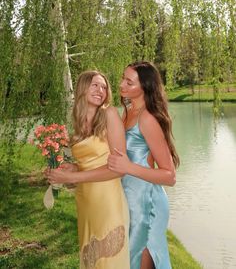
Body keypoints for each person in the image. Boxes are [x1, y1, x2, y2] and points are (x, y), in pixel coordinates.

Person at [46, 70, 130, 269]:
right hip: (85, 199)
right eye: (95, 85)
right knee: (90, 259)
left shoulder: (109, 114)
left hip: (108, 199)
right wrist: (72, 168)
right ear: (82, 88)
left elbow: (119, 169)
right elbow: (90, 162)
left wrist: (74, 175)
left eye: (103, 87)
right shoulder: (77, 120)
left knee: (109, 261)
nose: (100, 90)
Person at [108, 61, 180, 269]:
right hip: (128, 199)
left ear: (144, 88)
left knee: (137, 261)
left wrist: (127, 167)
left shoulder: (147, 119)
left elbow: (170, 176)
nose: (121, 84)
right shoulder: (127, 111)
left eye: (129, 82)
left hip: (147, 204)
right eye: (123, 78)